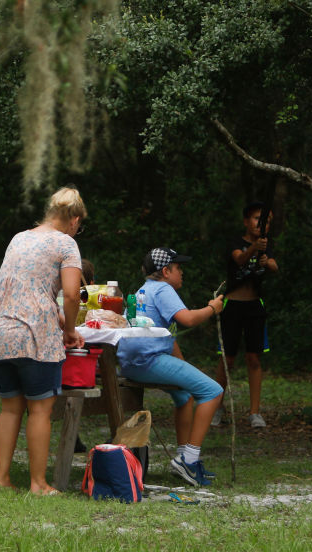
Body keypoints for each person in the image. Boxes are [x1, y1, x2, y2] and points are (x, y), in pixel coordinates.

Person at [0, 186, 87, 495]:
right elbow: (71, 293)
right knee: (40, 410)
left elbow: (24, 286)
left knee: (10, 408)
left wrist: (59, 316)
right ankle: (38, 484)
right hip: (32, 334)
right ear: (74, 220)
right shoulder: (66, 244)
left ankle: (2, 481)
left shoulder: (19, 237)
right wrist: (70, 329)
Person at [117, 248, 226, 487]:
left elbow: (167, 337)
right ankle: (188, 459)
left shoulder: (143, 290)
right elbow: (187, 319)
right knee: (213, 391)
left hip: (131, 362)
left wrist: (184, 368)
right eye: (178, 268)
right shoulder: (163, 289)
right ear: (166, 271)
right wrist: (212, 308)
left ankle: (185, 459)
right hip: (148, 359)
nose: (182, 272)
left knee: (184, 393)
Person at [214, 202, 279, 429]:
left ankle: (254, 412)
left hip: (254, 307)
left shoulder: (266, 246)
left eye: (267, 221)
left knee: (253, 358)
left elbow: (273, 265)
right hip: (232, 306)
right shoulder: (236, 243)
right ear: (246, 221)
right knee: (227, 360)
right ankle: (216, 407)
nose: (262, 224)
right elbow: (239, 259)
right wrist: (254, 249)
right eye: (257, 219)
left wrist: (266, 260)